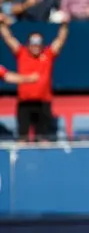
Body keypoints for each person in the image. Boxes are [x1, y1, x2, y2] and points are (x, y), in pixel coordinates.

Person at [0, 14, 68, 142]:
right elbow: (8, 38)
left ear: (42, 44)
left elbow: (60, 41)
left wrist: (64, 25)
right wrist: (2, 25)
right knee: (23, 139)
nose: (35, 46)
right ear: (28, 44)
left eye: (38, 43)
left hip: (43, 103)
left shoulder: (48, 54)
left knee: (43, 140)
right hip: (24, 104)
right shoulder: (22, 53)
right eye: (33, 43)